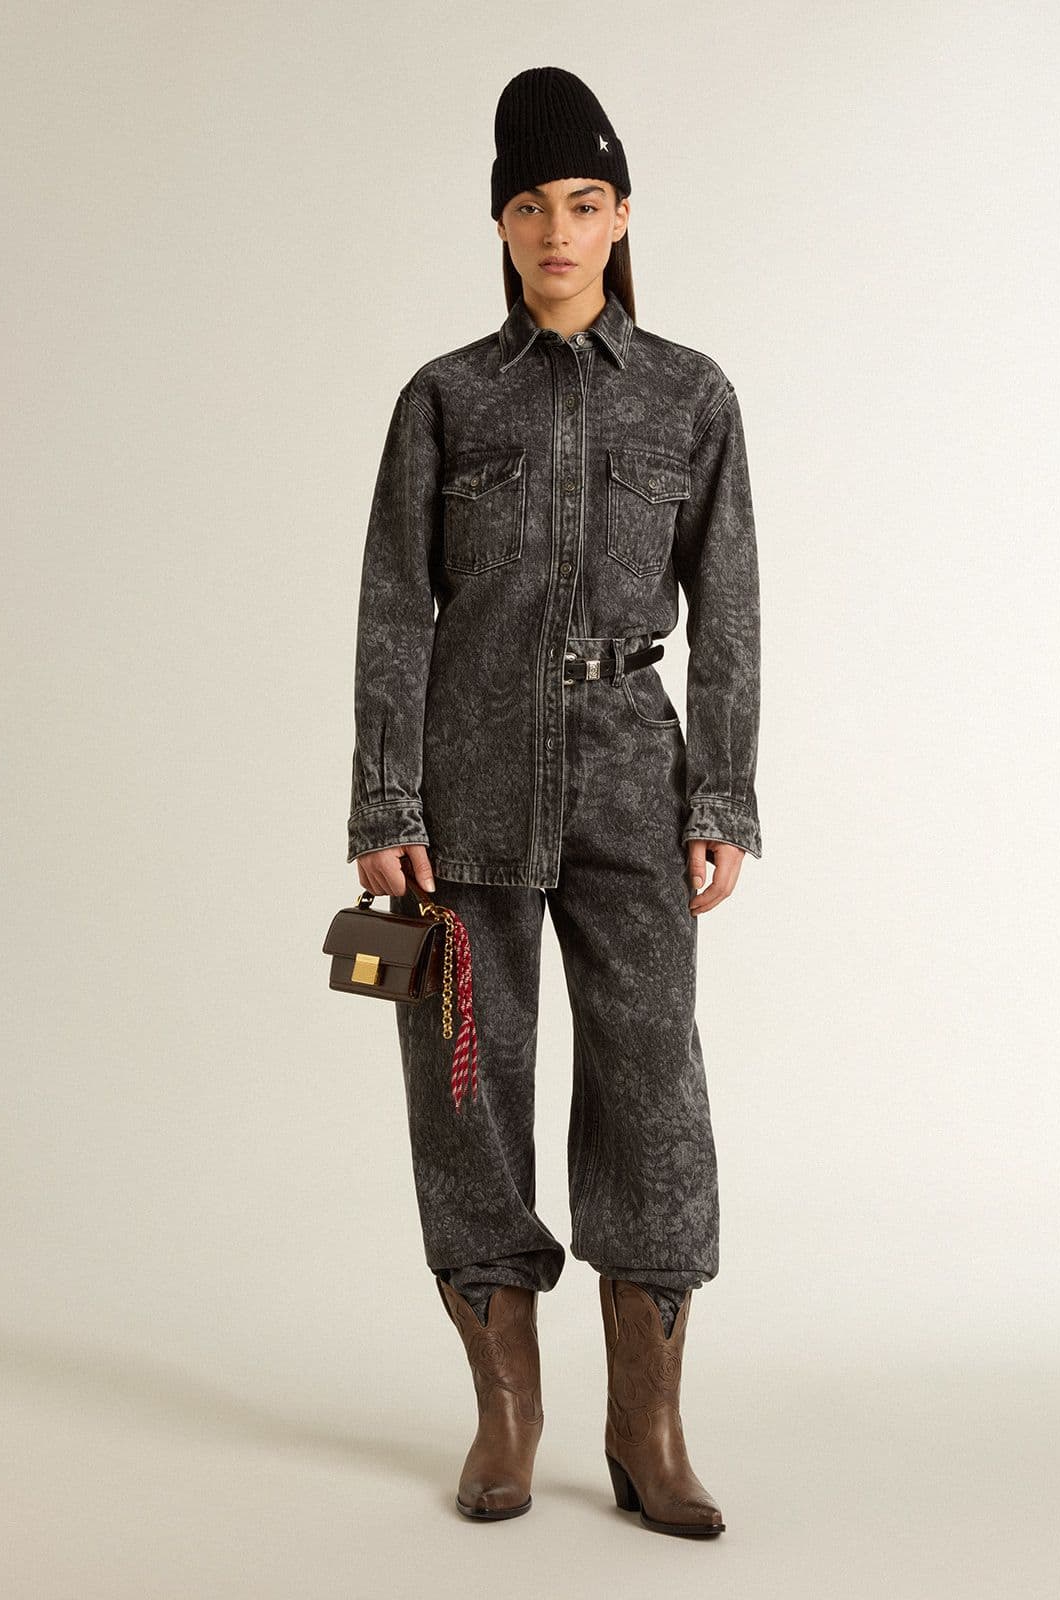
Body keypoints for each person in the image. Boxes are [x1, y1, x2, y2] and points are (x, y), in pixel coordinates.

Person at [347, 66, 761, 1538]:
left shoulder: (691, 395)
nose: (560, 230)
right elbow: (395, 607)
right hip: (465, 780)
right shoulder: (446, 397)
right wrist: (385, 799)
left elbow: (732, 610)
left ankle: (647, 1425)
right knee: (467, 1083)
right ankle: (506, 1417)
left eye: (585, 202)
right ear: (502, 224)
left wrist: (722, 792)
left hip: (633, 775)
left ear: (623, 215)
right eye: (532, 205)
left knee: (654, 1086)